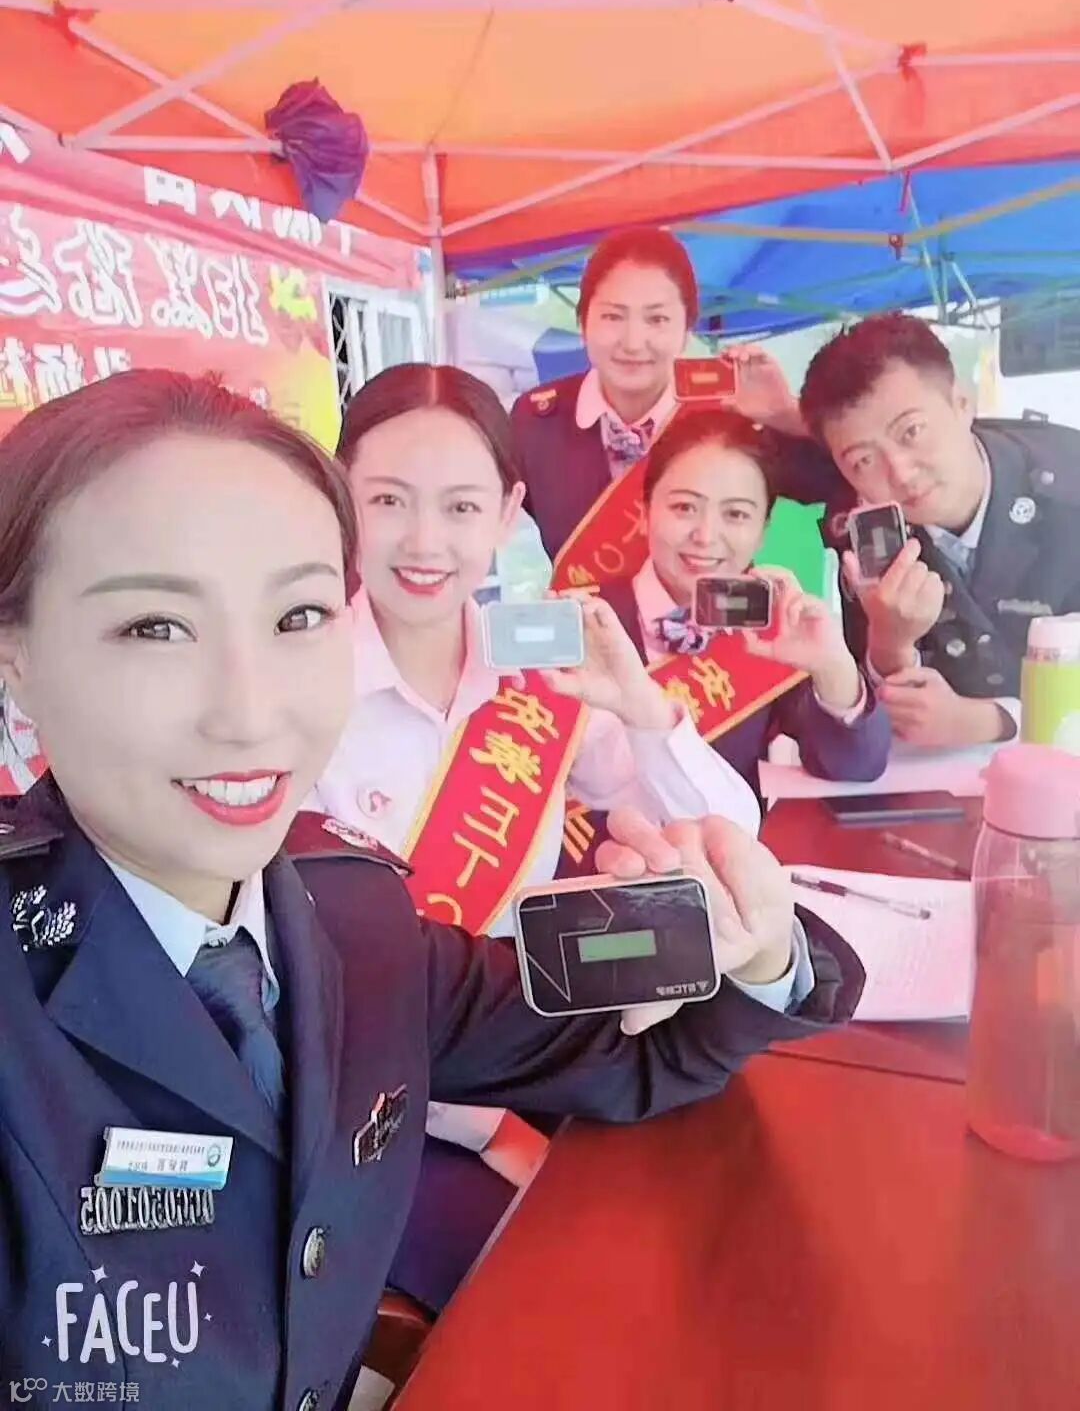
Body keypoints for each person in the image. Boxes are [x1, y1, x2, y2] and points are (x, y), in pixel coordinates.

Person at [0, 369, 861, 1411]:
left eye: (297, 614)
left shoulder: (354, 919)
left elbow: (643, 1045)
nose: (249, 711)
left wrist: (758, 944)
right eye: (154, 627)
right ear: (15, 657)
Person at [305, 363, 765, 1309]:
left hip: (541, 1056)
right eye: (388, 500)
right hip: (371, 1107)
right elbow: (305, 978)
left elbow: (726, 840)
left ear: (509, 511)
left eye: (462, 507)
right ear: (340, 498)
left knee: (711, 1245)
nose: (426, 542)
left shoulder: (534, 658)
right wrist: (493, 1129)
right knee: (563, 1303)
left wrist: (640, 706)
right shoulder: (297, 682)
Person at [739, 313, 1080, 749]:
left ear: (962, 403)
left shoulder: (1069, 494)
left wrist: (998, 719)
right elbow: (881, 708)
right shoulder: (865, 529)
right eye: (863, 460)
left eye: (912, 432)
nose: (899, 472)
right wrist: (890, 641)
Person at [592, 408, 890, 807]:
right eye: (684, 508)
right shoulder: (589, 622)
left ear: (763, 531)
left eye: (735, 514)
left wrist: (832, 664)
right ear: (645, 513)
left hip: (730, 845)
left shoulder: (773, 629)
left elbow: (856, 763)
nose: (705, 536)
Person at [511, 227, 697, 570]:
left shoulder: (722, 419)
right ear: (583, 324)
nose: (633, 342)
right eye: (613, 316)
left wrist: (783, 414)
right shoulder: (535, 423)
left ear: (686, 330)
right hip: (577, 606)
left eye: (657, 319)